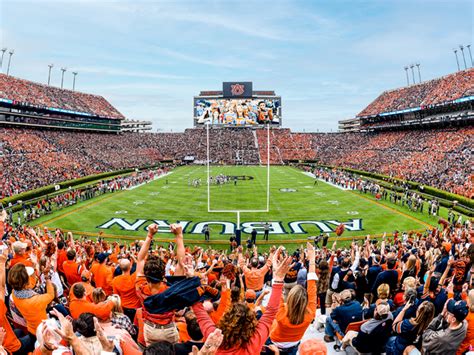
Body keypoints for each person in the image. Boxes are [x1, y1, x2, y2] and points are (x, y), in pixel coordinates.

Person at [192, 247, 292, 354]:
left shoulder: (214, 337)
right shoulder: (254, 342)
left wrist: (191, 278)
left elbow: (200, 313)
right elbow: (271, 312)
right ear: (251, 322)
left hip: (250, 291)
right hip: (257, 291)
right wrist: (278, 279)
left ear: (226, 317)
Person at [269, 242, 318, 355]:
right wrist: (312, 260)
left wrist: (277, 273)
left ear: (289, 299)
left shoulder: (281, 315)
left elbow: (277, 295)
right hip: (294, 344)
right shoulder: (310, 314)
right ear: (305, 302)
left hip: (275, 342)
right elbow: (312, 288)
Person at [112, 258, 141, 322]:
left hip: (123, 307)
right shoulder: (134, 277)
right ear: (130, 266)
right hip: (136, 307)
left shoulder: (115, 280)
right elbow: (140, 266)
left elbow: (116, 296)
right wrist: (134, 259)